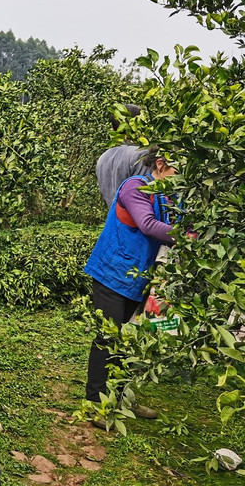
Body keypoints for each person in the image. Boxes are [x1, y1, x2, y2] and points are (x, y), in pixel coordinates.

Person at [83, 148, 176, 427]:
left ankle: (121, 398)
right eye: (176, 172)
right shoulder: (135, 187)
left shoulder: (169, 196)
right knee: (107, 339)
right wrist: (187, 236)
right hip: (112, 273)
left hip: (138, 277)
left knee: (129, 340)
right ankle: (96, 404)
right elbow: (148, 225)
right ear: (160, 165)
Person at [95, 104, 149, 207]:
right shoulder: (141, 154)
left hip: (114, 220)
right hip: (138, 220)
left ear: (113, 129)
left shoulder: (103, 158)